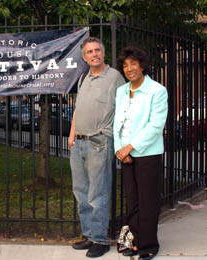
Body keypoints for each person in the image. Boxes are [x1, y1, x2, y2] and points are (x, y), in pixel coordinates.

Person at [68, 37, 125, 258]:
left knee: (97, 194)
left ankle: (101, 240)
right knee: (81, 193)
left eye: (97, 50)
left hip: (99, 143)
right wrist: (72, 135)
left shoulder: (114, 78)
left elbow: (124, 109)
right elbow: (78, 109)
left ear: (103, 53)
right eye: (90, 52)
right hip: (79, 143)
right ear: (84, 57)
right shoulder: (83, 78)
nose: (94, 54)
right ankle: (89, 235)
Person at [114, 46, 168, 260]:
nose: (129, 69)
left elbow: (155, 126)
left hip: (147, 154)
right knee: (132, 199)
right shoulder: (121, 91)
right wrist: (121, 150)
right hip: (126, 155)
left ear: (142, 65)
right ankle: (133, 240)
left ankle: (148, 245)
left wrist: (130, 147)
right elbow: (117, 122)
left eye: (133, 64)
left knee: (148, 200)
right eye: (125, 65)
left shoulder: (157, 90)